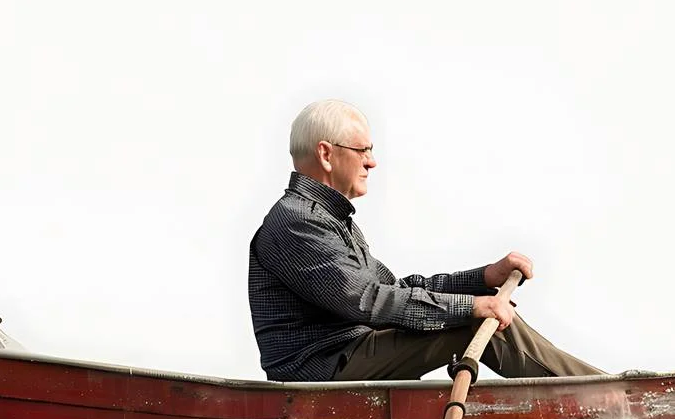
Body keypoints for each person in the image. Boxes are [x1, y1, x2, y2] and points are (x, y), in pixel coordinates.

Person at [248, 100, 605, 382]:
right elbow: (369, 302)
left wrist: (483, 279)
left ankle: (601, 389)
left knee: (479, 315)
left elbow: (398, 288)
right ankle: (608, 398)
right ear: (327, 154)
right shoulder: (298, 221)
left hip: (347, 353)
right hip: (324, 368)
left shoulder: (331, 220)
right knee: (476, 323)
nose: (372, 162)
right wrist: (469, 309)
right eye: (363, 150)